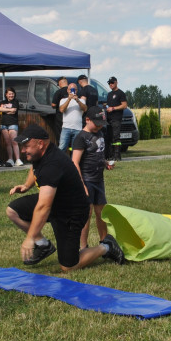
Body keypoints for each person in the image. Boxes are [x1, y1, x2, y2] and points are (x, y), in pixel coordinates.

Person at [6, 124, 125, 271]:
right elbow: (34, 167)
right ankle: (43, 245)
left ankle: (106, 246)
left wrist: (30, 237)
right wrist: (26, 186)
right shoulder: (41, 153)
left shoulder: (53, 164)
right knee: (13, 211)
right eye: (22, 146)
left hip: (72, 212)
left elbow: (44, 207)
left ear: (40, 143)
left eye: (26, 146)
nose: (23, 151)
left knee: (68, 266)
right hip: (57, 201)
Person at [71, 107, 109, 249]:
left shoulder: (100, 133)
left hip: (99, 180)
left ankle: (104, 243)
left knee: (101, 213)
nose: (99, 126)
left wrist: (105, 163)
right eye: (97, 123)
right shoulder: (81, 138)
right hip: (86, 180)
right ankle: (83, 247)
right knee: (86, 214)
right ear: (87, 120)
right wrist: (82, 184)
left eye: (101, 123)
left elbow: (97, 153)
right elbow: (74, 162)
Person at [104, 76, 127, 164]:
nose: (111, 84)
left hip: (116, 118)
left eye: (112, 83)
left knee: (116, 137)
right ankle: (110, 154)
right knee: (109, 137)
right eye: (109, 83)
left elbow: (124, 105)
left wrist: (113, 108)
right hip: (109, 119)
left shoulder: (120, 93)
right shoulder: (109, 94)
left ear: (116, 82)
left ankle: (117, 155)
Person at [0, 86, 23, 167]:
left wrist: (5, 109)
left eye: (12, 94)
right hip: (3, 124)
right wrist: (9, 110)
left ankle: (18, 159)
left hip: (13, 124)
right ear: (6, 95)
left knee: (14, 142)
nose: (11, 95)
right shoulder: (2, 102)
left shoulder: (16, 102)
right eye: (9, 94)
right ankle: (10, 159)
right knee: (8, 143)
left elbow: (14, 110)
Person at [58, 81, 86, 151]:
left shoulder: (81, 100)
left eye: (74, 89)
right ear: (67, 90)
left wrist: (77, 100)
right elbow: (61, 110)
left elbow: (85, 109)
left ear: (77, 90)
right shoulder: (63, 100)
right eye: (70, 89)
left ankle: (73, 162)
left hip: (77, 128)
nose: (72, 91)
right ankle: (58, 162)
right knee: (61, 148)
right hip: (66, 127)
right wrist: (69, 99)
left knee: (76, 149)